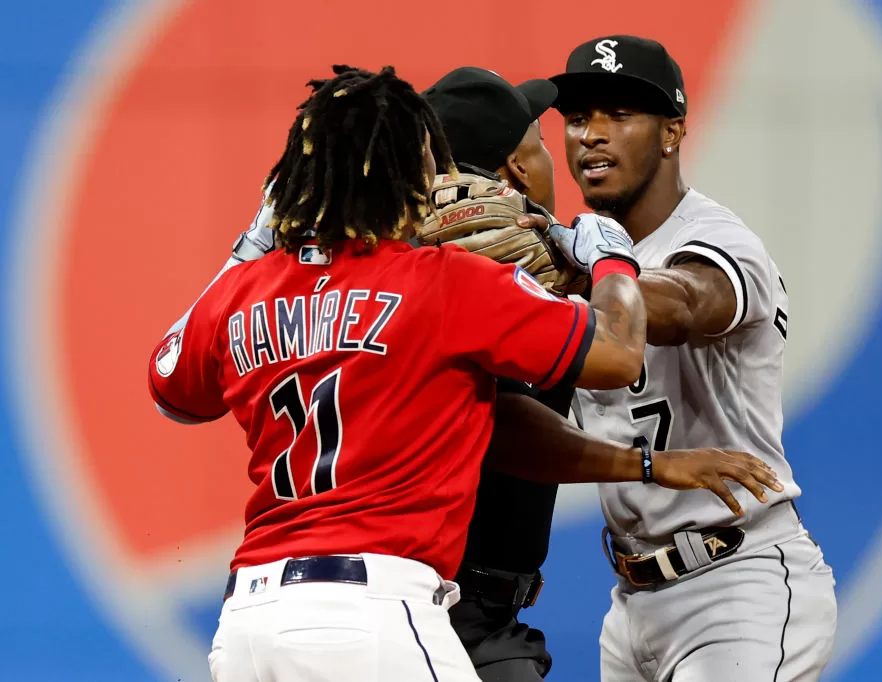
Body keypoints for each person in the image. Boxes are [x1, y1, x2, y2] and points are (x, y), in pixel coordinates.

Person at [147, 63, 651, 682]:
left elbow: (172, 391)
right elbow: (621, 353)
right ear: (410, 173)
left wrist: (250, 246)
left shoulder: (247, 290)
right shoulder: (443, 282)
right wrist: (609, 256)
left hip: (250, 623)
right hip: (376, 611)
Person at [419, 66, 786, 682]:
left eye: (617, 117)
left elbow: (693, 301)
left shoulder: (389, 277)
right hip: (447, 609)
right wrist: (607, 265)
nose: (586, 138)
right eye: (565, 126)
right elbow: (604, 362)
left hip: (356, 599)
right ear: (515, 168)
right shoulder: (508, 285)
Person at [544, 35, 840, 681]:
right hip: (631, 602)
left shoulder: (715, 238)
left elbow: (681, 305)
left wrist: (594, 275)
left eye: (620, 115)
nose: (592, 135)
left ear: (673, 131)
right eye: (577, 118)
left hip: (737, 585)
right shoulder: (578, 263)